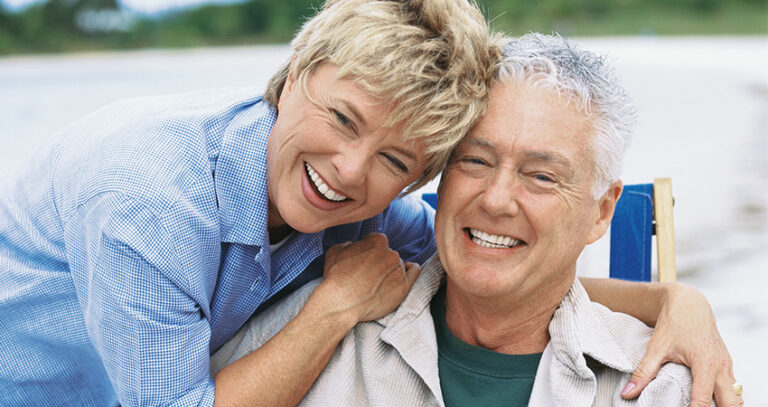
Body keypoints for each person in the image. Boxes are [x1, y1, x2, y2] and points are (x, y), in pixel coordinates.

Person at [0, 1, 736, 406]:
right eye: (342, 119)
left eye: (394, 159)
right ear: (292, 78)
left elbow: (488, 268)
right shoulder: (146, 195)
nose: (347, 171)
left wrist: (673, 301)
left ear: (417, 178)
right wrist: (332, 308)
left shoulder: (355, 210)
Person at [212, 34, 743, 407]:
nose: (496, 200)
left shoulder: (668, 390)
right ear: (437, 179)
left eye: (540, 176)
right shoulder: (301, 337)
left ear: (600, 211)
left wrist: (679, 299)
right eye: (475, 161)